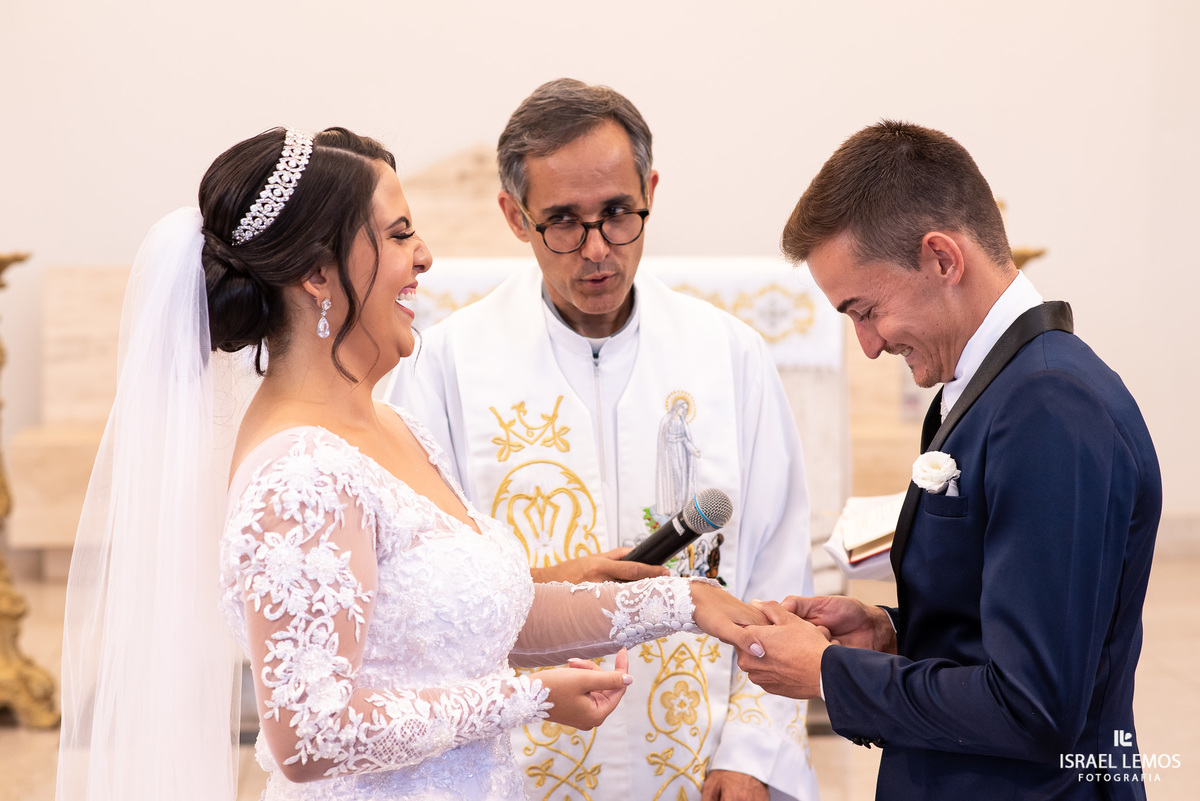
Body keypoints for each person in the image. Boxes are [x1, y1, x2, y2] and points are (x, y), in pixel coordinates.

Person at [55, 126, 772, 801]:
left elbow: (495, 619)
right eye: (398, 234)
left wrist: (684, 604)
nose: (424, 255)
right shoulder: (301, 470)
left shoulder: (387, 423)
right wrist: (527, 697)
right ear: (316, 272)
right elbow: (308, 732)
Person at [392, 79, 818, 801]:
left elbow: (778, 566)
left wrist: (752, 751)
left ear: (650, 188)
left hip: (708, 763)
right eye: (563, 220)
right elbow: (420, 588)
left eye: (619, 213)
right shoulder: (448, 366)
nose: (597, 250)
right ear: (514, 215)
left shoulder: (728, 354)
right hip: (523, 769)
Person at [736, 121, 1161, 800]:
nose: (868, 344)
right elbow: (1014, 626)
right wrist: (892, 633)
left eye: (866, 309)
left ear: (941, 257)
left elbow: (1034, 706)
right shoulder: (1000, 386)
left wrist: (828, 674)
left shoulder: (1051, 405)